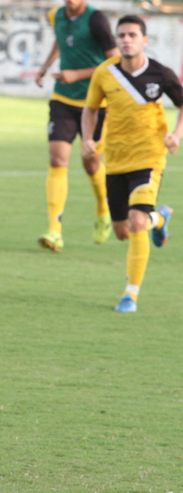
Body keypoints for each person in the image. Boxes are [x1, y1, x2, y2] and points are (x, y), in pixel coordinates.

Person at [82, 15, 183, 312]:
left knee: (137, 222)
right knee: (123, 231)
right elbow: (89, 111)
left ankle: (131, 295)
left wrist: (176, 135)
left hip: (149, 158)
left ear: (144, 40)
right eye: (122, 35)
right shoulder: (104, 73)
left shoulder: (160, 74)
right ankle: (160, 218)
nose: (126, 39)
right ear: (116, 40)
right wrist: (88, 139)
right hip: (115, 160)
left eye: (132, 35)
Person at [35, 0, 118, 252]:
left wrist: (77, 74)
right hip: (62, 100)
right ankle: (55, 230)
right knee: (57, 159)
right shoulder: (55, 16)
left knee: (91, 161)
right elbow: (62, 40)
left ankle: (104, 210)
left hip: (94, 104)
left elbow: (114, 62)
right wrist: (46, 66)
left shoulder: (96, 20)